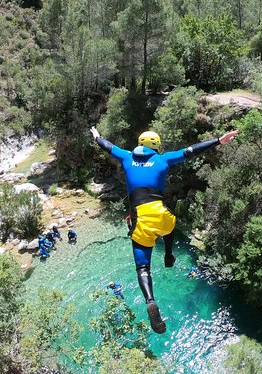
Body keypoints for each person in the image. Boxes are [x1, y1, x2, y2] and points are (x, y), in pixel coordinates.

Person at [91, 126, 238, 334]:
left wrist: (97, 137)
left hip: (140, 218)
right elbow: (191, 150)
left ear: (140, 144)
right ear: (156, 146)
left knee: (143, 268)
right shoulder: (163, 159)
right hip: (161, 214)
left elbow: (108, 147)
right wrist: (218, 140)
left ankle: (150, 300)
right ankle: (169, 255)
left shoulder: (125, 157)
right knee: (169, 226)